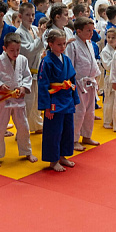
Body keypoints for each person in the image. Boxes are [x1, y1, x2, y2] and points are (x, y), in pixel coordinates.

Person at [0, 32, 36, 167]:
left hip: (18, 99)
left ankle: (27, 152)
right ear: (4, 48)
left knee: (24, 127)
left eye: (18, 50)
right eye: (12, 50)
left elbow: (27, 76)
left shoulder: (23, 60)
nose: (15, 53)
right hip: (4, 99)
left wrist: (24, 87)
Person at [37, 29, 79, 172]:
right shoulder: (46, 61)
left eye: (64, 44)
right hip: (54, 100)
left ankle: (62, 156)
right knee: (54, 131)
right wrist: (47, 107)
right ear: (50, 44)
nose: (62, 47)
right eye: (59, 44)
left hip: (67, 98)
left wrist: (74, 99)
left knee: (68, 130)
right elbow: (43, 85)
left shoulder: (66, 59)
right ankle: (53, 160)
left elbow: (72, 80)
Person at [65, 17, 100, 151]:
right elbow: (70, 65)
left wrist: (95, 77)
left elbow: (92, 61)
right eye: (88, 30)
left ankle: (86, 136)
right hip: (78, 83)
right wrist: (71, 85)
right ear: (78, 31)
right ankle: (74, 140)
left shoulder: (89, 42)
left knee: (90, 111)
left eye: (92, 30)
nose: (91, 33)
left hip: (90, 81)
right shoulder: (72, 44)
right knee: (79, 112)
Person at [17, 3, 45, 134]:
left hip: (37, 71)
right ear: (20, 16)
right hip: (25, 73)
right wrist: (40, 38)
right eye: (27, 15)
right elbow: (29, 51)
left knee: (35, 102)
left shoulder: (34, 29)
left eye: (33, 14)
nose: (31, 17)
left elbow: (39, 49)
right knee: (27, 103)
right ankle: (21, 131)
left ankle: (37, 125)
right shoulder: (19, 33)